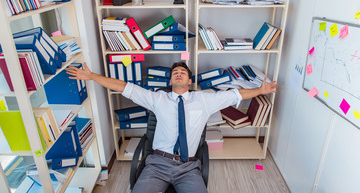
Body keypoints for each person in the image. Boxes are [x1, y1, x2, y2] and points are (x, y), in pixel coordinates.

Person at [66, 61, 278, 193]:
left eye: (182, 72)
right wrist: (91, 76)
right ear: (170, 79)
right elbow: (124, 87)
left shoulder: (204, 99)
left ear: (189, 80)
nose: (178, 73)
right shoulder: (158, 98)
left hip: (188, 167)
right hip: (157, 163)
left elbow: (236, 94)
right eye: (175, 72)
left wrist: (260, 90)